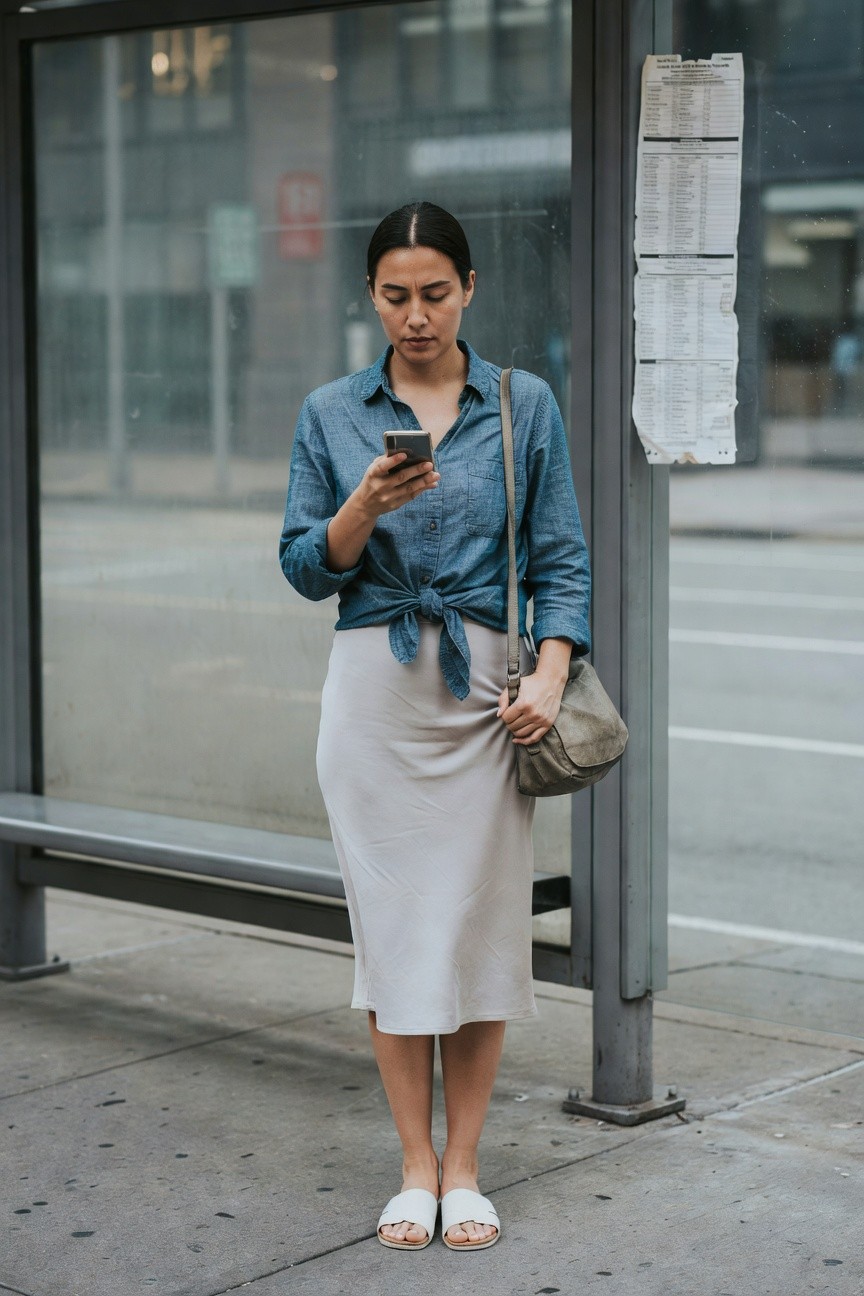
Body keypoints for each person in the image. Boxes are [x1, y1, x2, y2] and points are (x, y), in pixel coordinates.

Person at [279, 201, 590, 1252]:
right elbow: (301, 565)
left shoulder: (522, 401)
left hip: (490, 698)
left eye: (436, 294)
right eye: (396, 296)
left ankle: (467, 1165)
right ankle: (416, 1164)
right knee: (397, 935)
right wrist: (363, 506)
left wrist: (551, 671)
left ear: (469, 291)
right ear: (370, 296)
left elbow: (561, 561)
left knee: (480, 931)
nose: (417, 317)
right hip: (373, 698)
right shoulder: (331, 412)